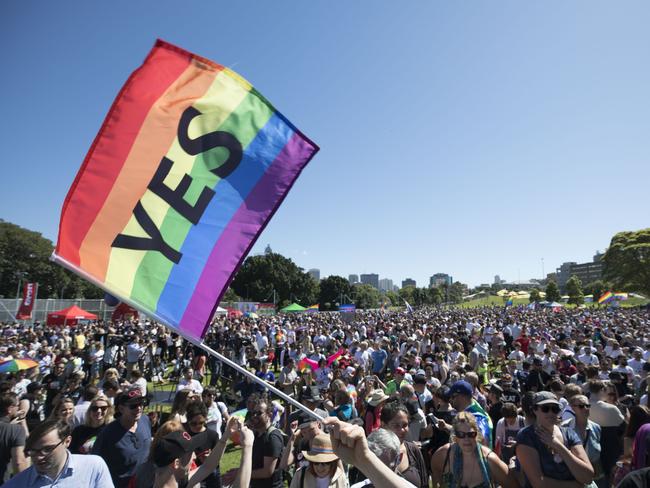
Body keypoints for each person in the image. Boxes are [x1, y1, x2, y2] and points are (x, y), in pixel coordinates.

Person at [3, 419, 113, 487]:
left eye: (47, 450)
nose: (39, 457)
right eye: (33, 451)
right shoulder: (16, 484)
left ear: (67, 441)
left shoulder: (93, 466)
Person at [516, 391, 594, 487]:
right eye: (545, 408)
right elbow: (539, 483)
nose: (551, 412)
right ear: (535, 410)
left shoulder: (569, 433)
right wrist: (575, 486)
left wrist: (557, 445)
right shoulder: (526, 436)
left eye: (555, 409)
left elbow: (588, 477)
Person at [431, 411, 514, 488]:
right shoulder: (443, 455)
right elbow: (436, 482)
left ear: (477, 434)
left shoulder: (490, 459)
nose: (466, 439)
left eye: (471, 434)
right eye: (461, 434)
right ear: (455, 436)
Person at [92, 387, 152, 488]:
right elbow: (95, 463)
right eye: (133, 405)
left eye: (141, 403)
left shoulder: (145, 420)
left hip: (145, 482)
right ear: (121, 409)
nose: (139, 408)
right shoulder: (108, 434)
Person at [380, 401, 428, 488]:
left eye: (405, 425)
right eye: (396, 425)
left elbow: (424, 484)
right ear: (383, 425)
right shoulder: (372, 453)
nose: (402, 430)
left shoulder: (413, 450)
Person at [183, 401, 221, 488]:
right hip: (192, 478)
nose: (197, 426)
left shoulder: (212, 435)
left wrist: (210, 459)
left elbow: (217, 462)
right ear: (188, 421)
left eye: (201, 423)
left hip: (211, 478)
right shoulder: (184, 437)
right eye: (193, 423)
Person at [0, 392, 29, 482]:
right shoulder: (16, 430)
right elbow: (18, 462)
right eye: (17, 406)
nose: (19, 408)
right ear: (9, 409)